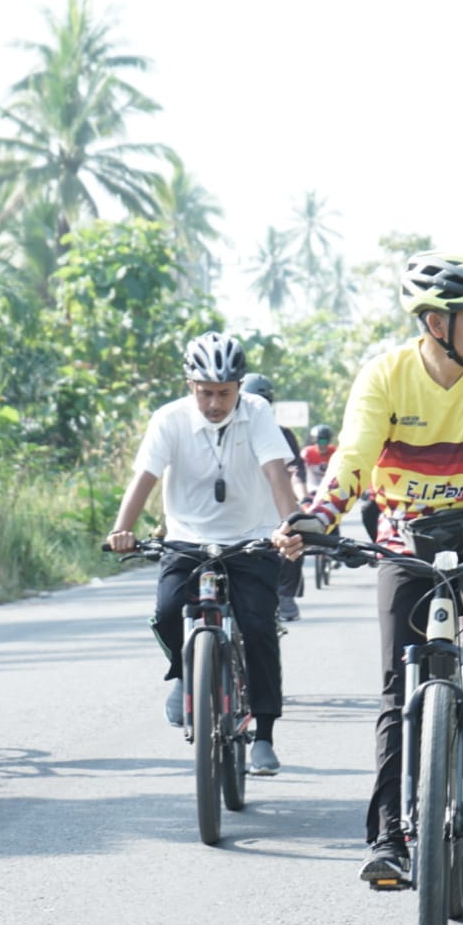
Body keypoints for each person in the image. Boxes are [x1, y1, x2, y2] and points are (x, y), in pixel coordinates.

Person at [273, 249, 463, 885]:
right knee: (395, 689)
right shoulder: (384, 375)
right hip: (405, 536)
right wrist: (316, 518)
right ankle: (388, 838)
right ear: (436, 323)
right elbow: (352, 457)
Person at [107, 332, 303, 777]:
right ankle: (181, 672)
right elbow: (145, 478)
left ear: (238, 387)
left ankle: (265, 734)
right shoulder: (169, 419)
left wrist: (289, 526)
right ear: (189, 383)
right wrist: (122, 529)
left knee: (258, 628)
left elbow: (276, 473)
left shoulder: (257, 414)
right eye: (205, 393)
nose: (215, 403)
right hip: (187, 539)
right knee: (166, 610)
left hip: (250, 539)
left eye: (224, 393)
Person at [242, 373, 309, 622]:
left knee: (295, 534)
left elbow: (295, 473)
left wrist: (303, 500)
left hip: (274, 504)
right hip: (236, 508)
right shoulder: (228, 433)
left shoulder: (282, 434)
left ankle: (286, 595)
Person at [302, 424, 335, 495]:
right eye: (318, 441)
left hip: (330, 488)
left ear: (329, 441)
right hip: (312, 488)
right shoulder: (307, 453)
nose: (321, 445)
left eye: (324, 442)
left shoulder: (335, 452)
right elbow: (300, 472)